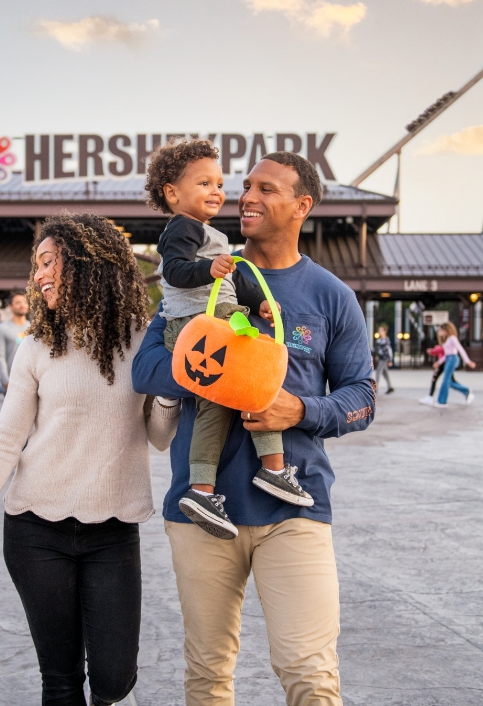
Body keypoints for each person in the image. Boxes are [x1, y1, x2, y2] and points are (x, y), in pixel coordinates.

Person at [133, 152, 375, 706]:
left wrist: (301, 411)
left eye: (266, 189)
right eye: (246, 186)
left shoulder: (332, 296)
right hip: (200, 514)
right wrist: (222, 371)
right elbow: (144, 371)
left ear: (301, 206)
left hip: (295, 509)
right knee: (208, 677)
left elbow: (361, 398)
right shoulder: (202, 279)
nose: (247, 196)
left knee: (310, 674)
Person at [0, 213, 180, 706]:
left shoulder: (143, 340)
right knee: (61, 679)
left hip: (113, 531)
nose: (38, 276)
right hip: (36, 530)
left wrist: (168, 389)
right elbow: (7, 436)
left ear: (89, 265)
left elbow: (159, 438)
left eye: (49, 262)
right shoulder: (37, 345)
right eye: (37, 265)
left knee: (115, 680)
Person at [146, 139, 313, 541]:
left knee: (216, 408)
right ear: (173, 193)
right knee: (258, 381)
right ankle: (273, 469)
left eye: (220, 183)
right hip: (198, 325)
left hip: (218, 322)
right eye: (204, 183)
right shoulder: (181, 229)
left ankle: (201, 490)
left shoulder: (208, 233)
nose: (217, 191)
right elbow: (176, 272)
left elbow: (236, 283)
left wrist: (259, 306)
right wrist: (208, 268)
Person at [0, 290, 31, 391]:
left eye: (24, 302)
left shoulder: (34, 328)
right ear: (10, 306)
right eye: (18, 303)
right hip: (12, 381)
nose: (22, 305)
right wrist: (6, 381)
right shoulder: (1, 329)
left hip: (31, 381)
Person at [433, 321, 475, 407]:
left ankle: (442, 401)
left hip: (453, 359)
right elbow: (446, 355)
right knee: (449, 381)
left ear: (446, 330)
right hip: (449, 358)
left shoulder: (452, 338)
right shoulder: (446, 340)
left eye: (441, 330)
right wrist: (439, 362)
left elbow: (460, 349)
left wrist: (467, 361)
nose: (439, 333)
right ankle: (466, 391)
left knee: (445, 380)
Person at [418, 338, 460, 406]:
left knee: (445, 381)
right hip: (444, 362)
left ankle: (434, 398)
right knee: (450, 381)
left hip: (444, 363)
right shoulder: (446, 342)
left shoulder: (448, 341)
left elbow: (444, 352)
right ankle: (431, 397)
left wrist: (433, 352)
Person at [373, 324, 395, 395]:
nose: (379, 332)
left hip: (385, 359)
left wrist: (390, 360)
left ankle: (375, 388)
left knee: (378, 372)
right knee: (385, 373)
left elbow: (389, 351)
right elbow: (374, 349)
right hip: (381, 358)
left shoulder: (386, 340)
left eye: (381, 330)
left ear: (385, 331)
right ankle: (390, 387)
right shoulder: (379, 340)